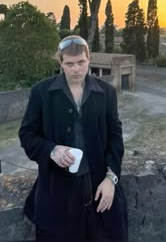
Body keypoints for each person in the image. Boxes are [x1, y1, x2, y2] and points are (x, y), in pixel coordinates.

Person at [18, 35, 128, 242]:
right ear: (60, 63)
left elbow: (115, 136)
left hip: (99, 191)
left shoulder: (107, 92)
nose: (76, 69)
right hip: (56, 196)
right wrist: (51, 150)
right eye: (69, 64)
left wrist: (111, 178)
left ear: (89, 59)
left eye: (81, 62)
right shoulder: (41, 92)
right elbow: (27, 134)